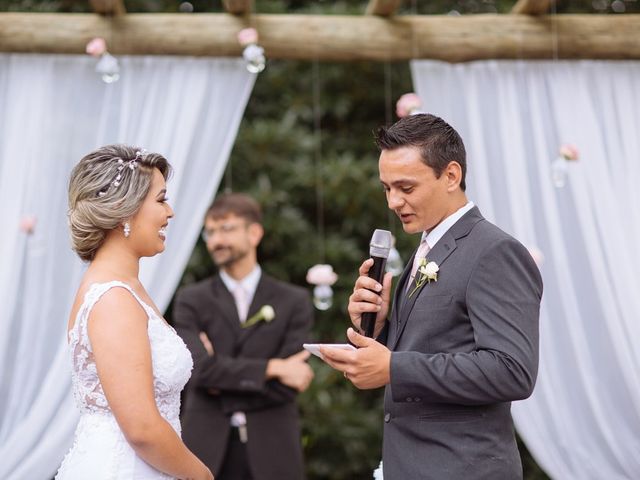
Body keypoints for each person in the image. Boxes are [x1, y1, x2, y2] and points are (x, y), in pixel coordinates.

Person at [320, 114, 543, 479]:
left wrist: (393, 367)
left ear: (451, 176)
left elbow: (512, 370)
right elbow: (436, 344)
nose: (393, 201)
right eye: (386, 188)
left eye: (406, 188)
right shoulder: (426, 248)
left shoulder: (494, 251)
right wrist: (378, 328)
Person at [57, 145, 213, 480]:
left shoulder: (125, 288)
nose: (169, 212)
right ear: (124, 210)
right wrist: (201, 475)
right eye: (160, 200)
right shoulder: (113, 298)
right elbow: (141, 427)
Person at [174, 193, 314, 480]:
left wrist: (218, 381)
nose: (216, 241)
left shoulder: (293, 301)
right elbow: (199, 372)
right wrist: (273, 369)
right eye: (210, 232)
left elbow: (291, 384)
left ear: (254, 233)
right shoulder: (191, 300)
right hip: (205, 452)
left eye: (226, 229)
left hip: (273, 451)